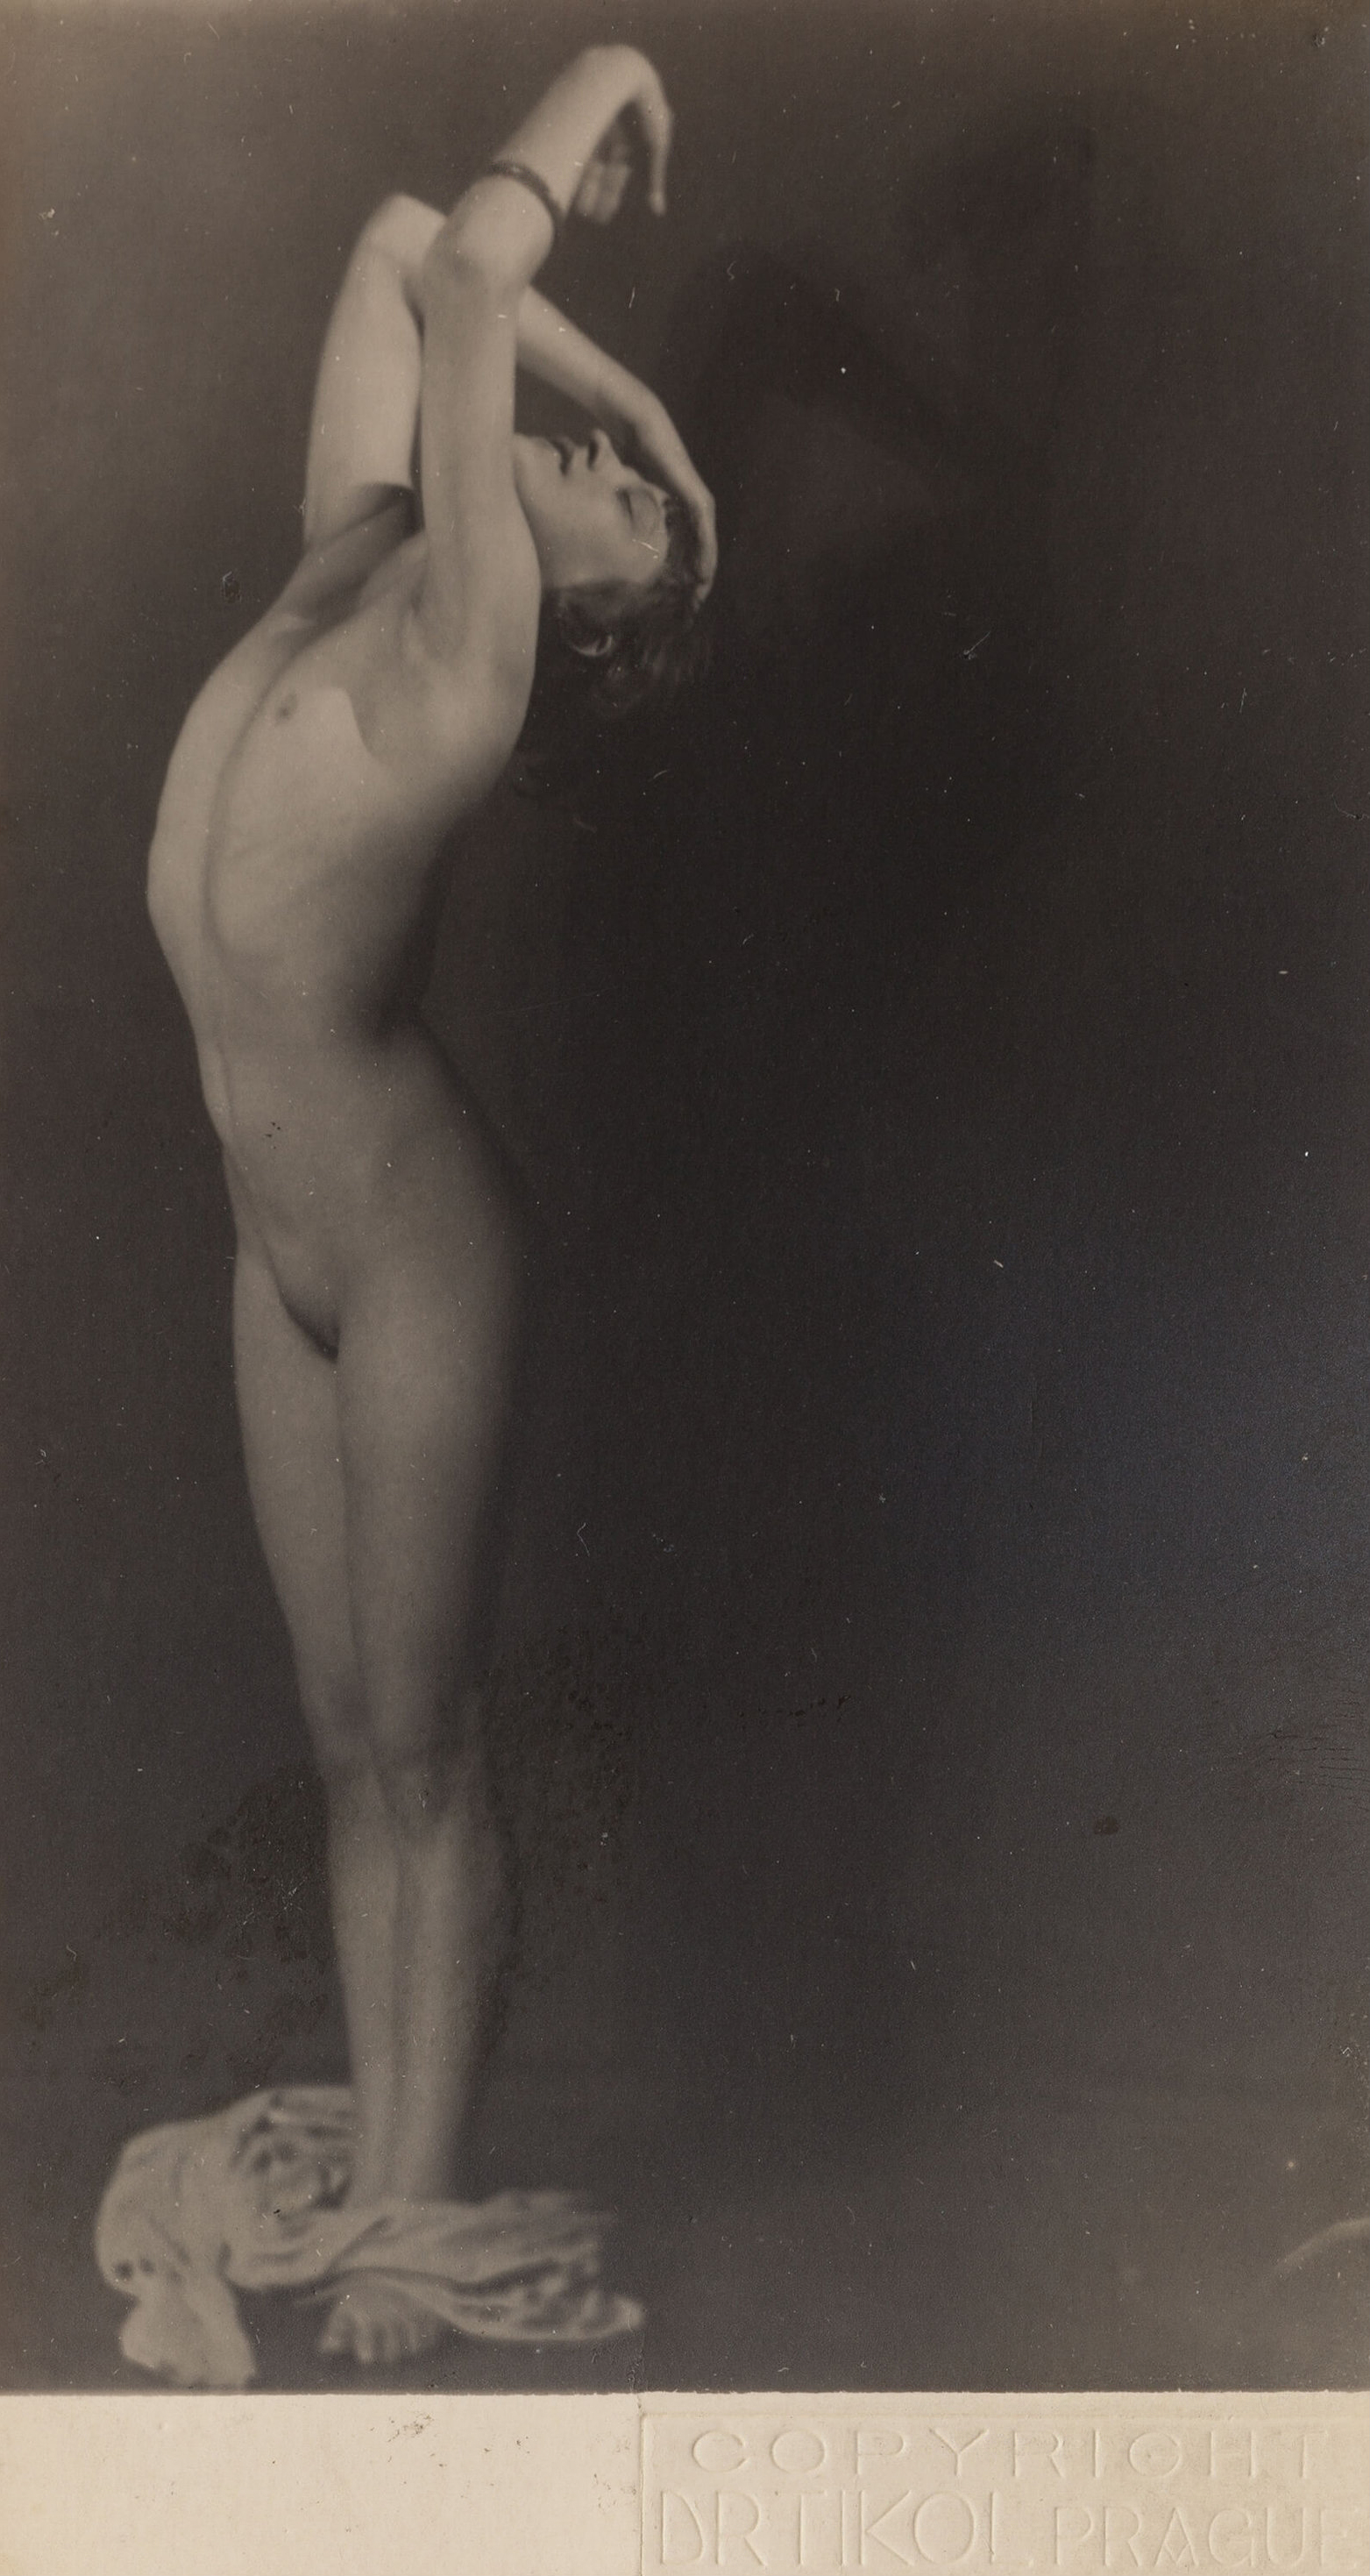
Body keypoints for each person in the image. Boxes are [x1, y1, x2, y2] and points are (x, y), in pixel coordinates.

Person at [146, 45, 715, 2367]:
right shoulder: (361, 551)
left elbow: (473, 263)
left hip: (410, 1246)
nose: (602, 467)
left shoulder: (470, 666)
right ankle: (392, 2176)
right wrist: (651, 410)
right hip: (276, 1249)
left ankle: (411, 2221)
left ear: (582, 622)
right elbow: (404, 244)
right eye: (608, 460)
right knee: (340, 1741)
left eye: (624, 509)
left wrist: (616, 70)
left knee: (425, 1741)